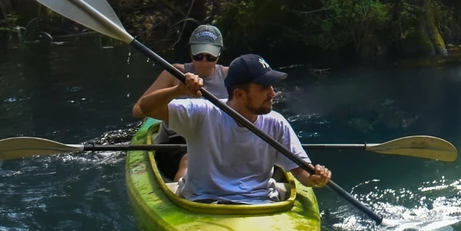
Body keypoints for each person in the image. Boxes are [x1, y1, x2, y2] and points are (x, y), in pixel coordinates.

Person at [139, 52, 332, 204]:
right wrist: (178, 90)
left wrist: (315, 178)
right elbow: (146, 107)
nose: (273, 93)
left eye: (272, 87)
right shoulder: (203, 112)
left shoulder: (276, 122)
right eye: (264, 88)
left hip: (260, 204)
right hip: (203, 201)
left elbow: (300, 171)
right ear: (239, 94)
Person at [133, 23, 228, 119]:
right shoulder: (175, 72)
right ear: (191, 53)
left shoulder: (229, 74)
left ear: (219, 54)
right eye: (198, 56)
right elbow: (138, 110)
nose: (204, 61)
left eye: (210, 57)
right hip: (177, 132)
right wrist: (177, 91)